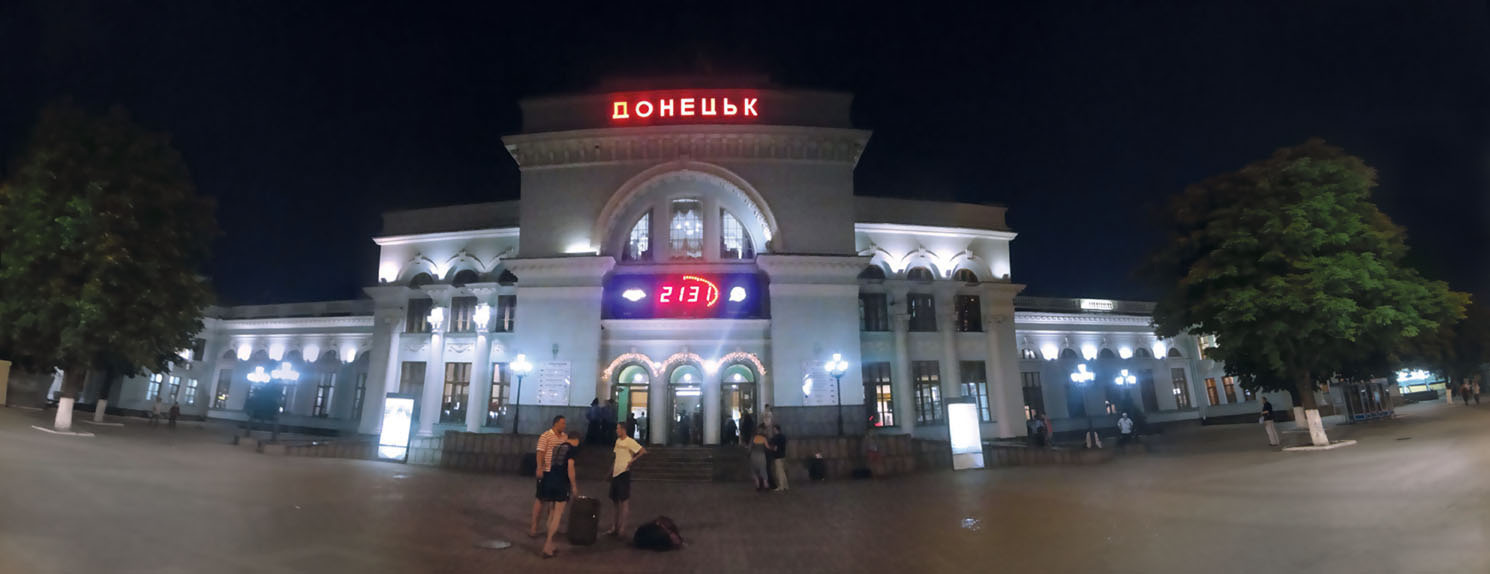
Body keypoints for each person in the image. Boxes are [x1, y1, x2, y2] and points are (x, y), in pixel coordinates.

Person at [539, 432, 581, 558]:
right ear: (576, 440)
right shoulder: (571, 449)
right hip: (561, 484)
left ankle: (551, 544)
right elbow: (570, 468)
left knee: (551, 513)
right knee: (558, 515)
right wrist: (574, 486)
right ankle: (547, 545)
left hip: (550, 481)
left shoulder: (557, 447)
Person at [529, 415, 567, 538]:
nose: (564, 426)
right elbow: (540, 452)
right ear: (555, 423)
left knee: (554, 500)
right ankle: (534, 526)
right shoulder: (545, 436)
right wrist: (539, 467)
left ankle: (550, 526)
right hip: (546, 471)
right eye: (562, 423)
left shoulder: (564, 437)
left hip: (558, 473)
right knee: (540, 499)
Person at [606, 422, 646, 537]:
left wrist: (632, 460)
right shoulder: (618, 441)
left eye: (618, 428)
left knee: (624, 501)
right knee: (614, 501)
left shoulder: (630, 441)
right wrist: (610, 472)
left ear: (623, 430)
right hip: (616, 473)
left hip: (624, 473)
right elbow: (616, 457)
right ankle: (614, 526)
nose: (616, 430)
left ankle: (622, 527)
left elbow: (642, 451)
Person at [768, 424, 789, 492]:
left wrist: (770, 448)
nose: (773, 431)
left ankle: (781, 486)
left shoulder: (776, 438)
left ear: (775, 429)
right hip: (783, 455)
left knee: (779, 472)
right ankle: (785, 486)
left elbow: (775, 448)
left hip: (777, 456)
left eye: (773, 429)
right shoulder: (783, 436)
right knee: (782, 472)